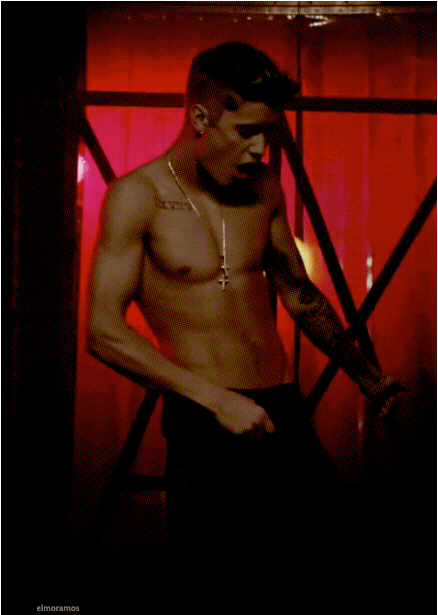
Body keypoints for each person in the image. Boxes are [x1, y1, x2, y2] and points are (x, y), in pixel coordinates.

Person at [88, 43, 402, 612]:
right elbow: (103, 330)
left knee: (312, 569)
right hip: (205, 419)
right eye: (249, 132)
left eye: (269, 134)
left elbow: (301, 296)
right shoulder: (139, 197)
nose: (261, 150)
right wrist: (216, 400)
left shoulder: (263, 190)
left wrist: (369, 378)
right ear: (201, 117)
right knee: (214, 582)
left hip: (282, 410)